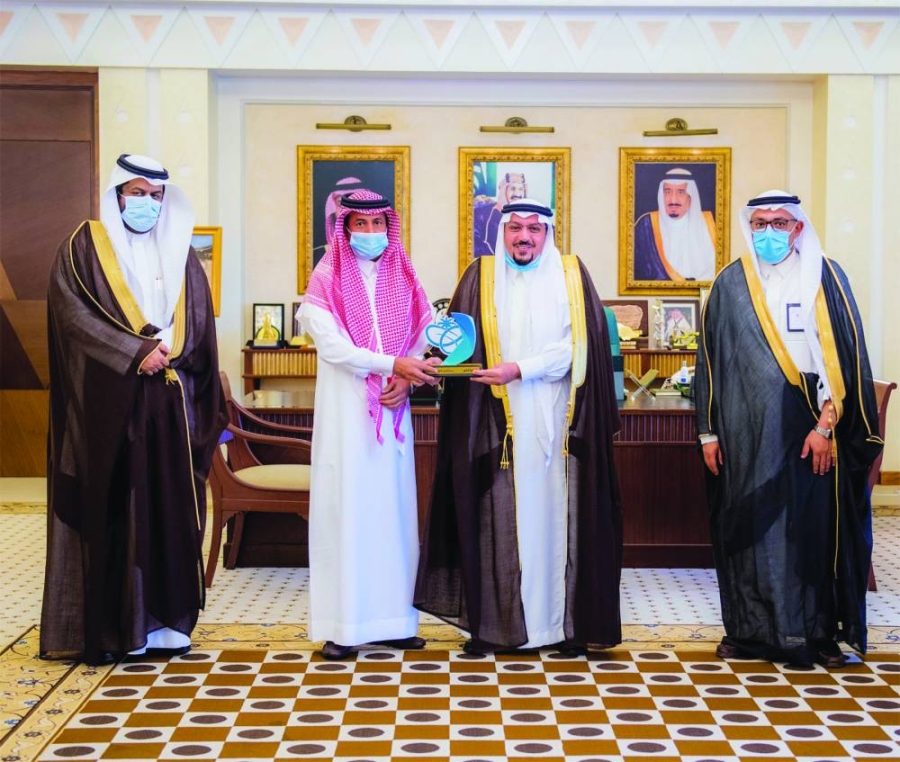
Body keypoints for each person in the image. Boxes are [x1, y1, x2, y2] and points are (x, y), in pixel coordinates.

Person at [415, 198, 623, 655]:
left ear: (547, 233)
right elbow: (459, 342)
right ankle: (496, 628)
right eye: (514, 228)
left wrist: (521, 368)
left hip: (557, 424)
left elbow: (579, 347)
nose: (524, 236)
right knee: (498, 518)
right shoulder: (481, 275)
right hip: (494, 427)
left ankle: (561, 629)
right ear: (502, 232)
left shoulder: (571, 275)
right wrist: (435, 361)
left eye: (533, 228)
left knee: (556, 520)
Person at [41, 154, 225, 666]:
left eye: (155, 195)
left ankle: (167, 626)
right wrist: (134, 351)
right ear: (118, 195)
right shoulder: (84, 247)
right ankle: (117, 628)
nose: (146, 203)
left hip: (170, 402)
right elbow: (72, 314)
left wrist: (172, 352)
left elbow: (199, 322)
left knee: (168, 509)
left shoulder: (182, 253)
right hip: (112, 403)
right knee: (119, 509)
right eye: (136, 193)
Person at [694, 189, 883, 667]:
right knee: (747, 527)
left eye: (779, 223)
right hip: (742, 429)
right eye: (760, 223)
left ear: (797, 228)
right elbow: (709, 361)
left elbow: (844, 358)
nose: (769, 232)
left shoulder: (826, 277)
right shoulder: (731, 282)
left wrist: (826, 426)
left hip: (810, 427)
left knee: (810, 530)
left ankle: (815, 633)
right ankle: (749, 631)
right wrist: (708, 432)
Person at [298, 189, 441, 661]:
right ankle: (344, 626)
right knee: (349, 513)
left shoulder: (404, 274)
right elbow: (333, 348)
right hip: (348, 416)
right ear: (345, 228)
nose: (371, 233)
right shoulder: (326, 278)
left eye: (379, 224)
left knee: (394, 516)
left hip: (394, 412)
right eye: (360, 224)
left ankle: (396, 622)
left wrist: (407, 377)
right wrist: (391, 364)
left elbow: (422, 338)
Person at [634, 167, 716, 281]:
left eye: (681, 192)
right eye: (668, 192)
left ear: (690, 197)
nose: (673, 200)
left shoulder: (711, 225)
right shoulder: (645, 226)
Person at [473, 171, 527, 256]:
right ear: (504, 190)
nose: (517, 194)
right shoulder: (484, 212)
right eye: (512, 188)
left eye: (521, 189)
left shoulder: (529, 216)